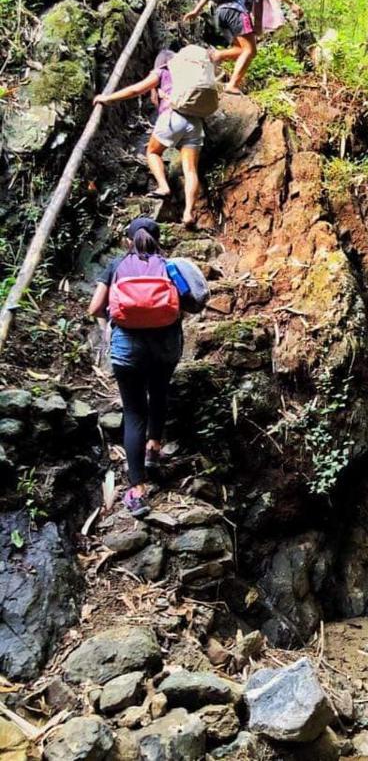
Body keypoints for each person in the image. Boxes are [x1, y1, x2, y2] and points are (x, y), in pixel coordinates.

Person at [88, 217, 183, 518]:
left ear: (128, 240)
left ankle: (138, 491)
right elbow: (190, 303)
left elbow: (94, 308)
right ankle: (154, 448)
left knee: (133, 412)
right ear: (159, 239)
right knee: (159, 394)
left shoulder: (116, 266)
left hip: (127, 348)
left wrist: (114, 322)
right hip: (165, 346)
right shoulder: (169, 266)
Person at [93, 49, 203, 227]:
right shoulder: (188, 73)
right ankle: (188, 213)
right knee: (190, 170)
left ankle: (163, 187)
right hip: (195, 122)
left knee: (152, 152)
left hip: (173, 117)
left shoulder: (162, 71)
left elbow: (136, 89)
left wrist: (108, 98)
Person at [183, 0, 303, 94]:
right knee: (250, 50)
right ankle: (230, 81)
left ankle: (213, 58)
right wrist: (291, 3)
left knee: (240, 49)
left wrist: (197, 10)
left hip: (221, 13)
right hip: (237, 12)